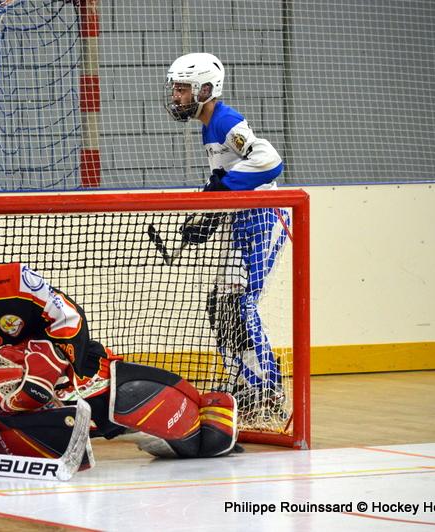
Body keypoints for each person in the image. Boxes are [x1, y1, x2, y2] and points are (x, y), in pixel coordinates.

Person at [0, 231, 239, 475]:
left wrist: (51, 366)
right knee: (3, 372)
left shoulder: (11, 280)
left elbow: (68, 317)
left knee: (202, 433)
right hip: (16, 408)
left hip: (74, 377)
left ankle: (131, 423)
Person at [164, 52, 289, 421]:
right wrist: (210, 216)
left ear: (206, 88)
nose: (177, 96)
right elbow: (225, 180)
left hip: (264, 218)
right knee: (222, 304)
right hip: (242, 221)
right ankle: (244, 384)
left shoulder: (226, 121)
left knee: (241, 303)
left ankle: (268, 389)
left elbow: (268, 161)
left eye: (183, 89)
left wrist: (221, 192)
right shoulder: (208, 126)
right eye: (176, 88)